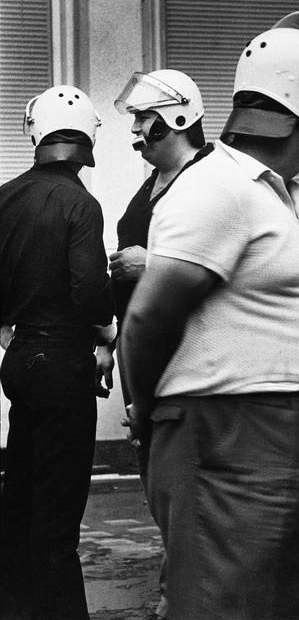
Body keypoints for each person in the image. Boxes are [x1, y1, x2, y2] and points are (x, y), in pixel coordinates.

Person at [120, 11, 299, 620]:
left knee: (280, 606)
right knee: (217, 607)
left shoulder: (276, 194)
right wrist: (145, 414)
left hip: (287, 432)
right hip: (239, 430)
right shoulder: (218, 186)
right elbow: (148, 318)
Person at [98, 68, 213, 620]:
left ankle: (191, 599)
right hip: (145, 356)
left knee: (192, 496)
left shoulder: (210, 178)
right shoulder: (153, 184)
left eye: (145, 120)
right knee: (161, 485)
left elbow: (219, 269)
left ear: (178, 118)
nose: (137, 132)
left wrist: (152, 263)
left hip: (189, 360)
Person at [0, 85, 115, 620]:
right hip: (64, 364)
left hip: (20, 361)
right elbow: (89, 292)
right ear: (87, 139)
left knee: (18, 502)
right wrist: (107, 336)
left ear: (36, 135)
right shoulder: (81, 203)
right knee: (57, 519)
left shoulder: (5, 198)